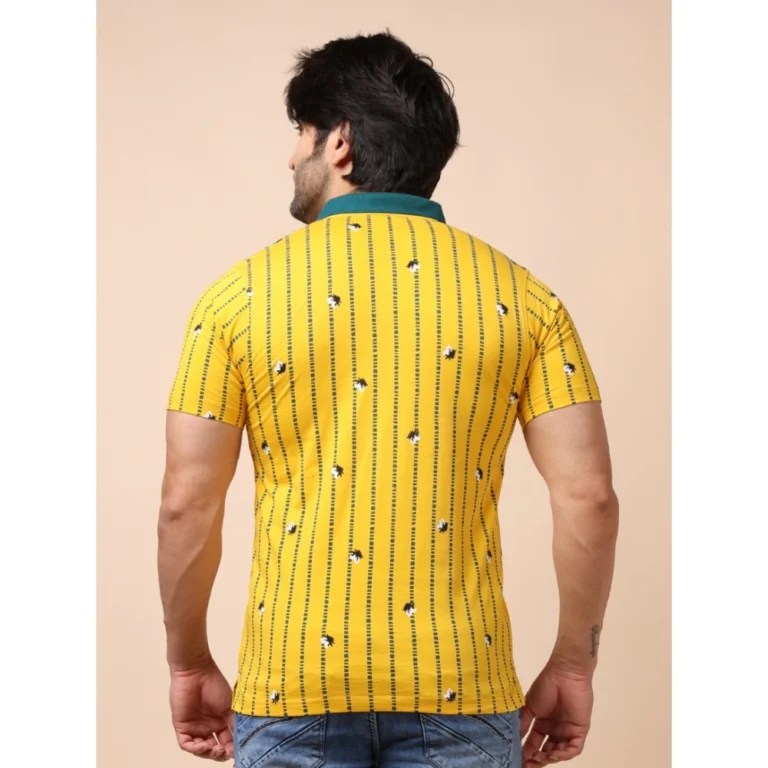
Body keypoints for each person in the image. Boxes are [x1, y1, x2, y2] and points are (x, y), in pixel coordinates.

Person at [158, 30, 619, 768]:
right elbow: (589, 497)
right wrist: (574, 664)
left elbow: (186, 502)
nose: (291, 158)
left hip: (291, 687)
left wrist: (188, 662)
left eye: (302, 134)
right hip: (463, 689)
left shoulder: (235, 299)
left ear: (339, 144)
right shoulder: (526, 300)